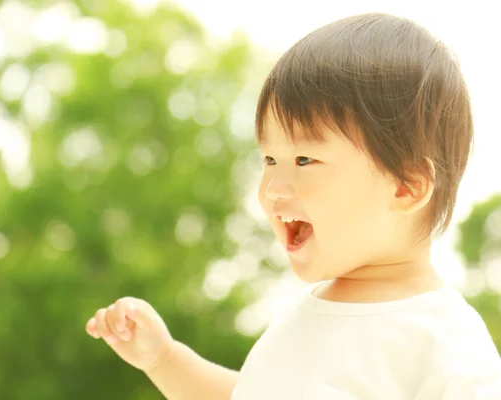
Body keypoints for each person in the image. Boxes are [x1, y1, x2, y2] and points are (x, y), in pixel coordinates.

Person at [85, 12, 501, 399]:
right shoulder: (307, 313)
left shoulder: (445, 344)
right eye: (269, 160)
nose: (272, 189)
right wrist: (165, 359)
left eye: (304, 160)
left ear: (405, 187)